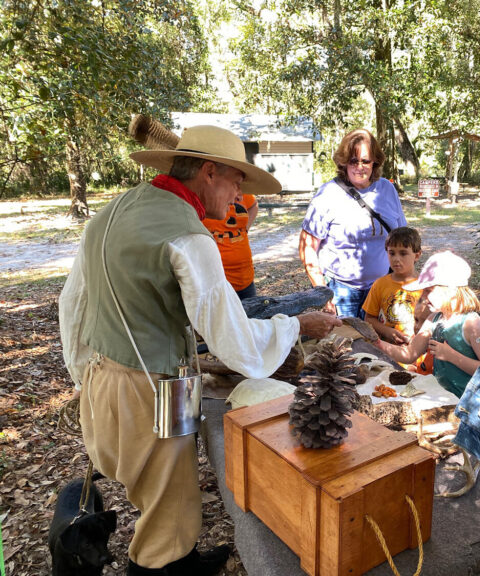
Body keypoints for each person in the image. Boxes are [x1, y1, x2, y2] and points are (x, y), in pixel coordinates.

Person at [58, 125, 341, 576]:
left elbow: (72, 305)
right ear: (209, 172)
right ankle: (159, 566)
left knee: (175, 486)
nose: (238, 196)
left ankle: (184, 556)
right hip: (150, 388)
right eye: (236, 182)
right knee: (161, 509)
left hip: (110, 375)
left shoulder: (114, 211)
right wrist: (296, 325)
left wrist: (84, 377)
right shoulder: (190, 237)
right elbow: (235, 343)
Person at [299, 128, 407, 318]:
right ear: (343, 162)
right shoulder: (327, 195)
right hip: (341, 292)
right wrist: (322, 293)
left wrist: (404, 280)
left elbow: (402, 238)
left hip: (382, 288)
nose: (360, 166)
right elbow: (307, 247)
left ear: (375, 162)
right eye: (353, 161)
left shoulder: (387, 189)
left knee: (378, 345)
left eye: (365, 160)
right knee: (346, 346)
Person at [375, 251, 480, 397]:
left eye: (428, 291)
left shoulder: (471, 323)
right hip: (444, 398)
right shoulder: (434, 319)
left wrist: (451, 356)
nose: (424, 298)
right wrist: (377, 343)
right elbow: (409, 354)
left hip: (470, 402)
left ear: (451, 290)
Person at [362, 226, 423, 344]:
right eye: (392, 253)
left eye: (403, 253)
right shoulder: (380, 284)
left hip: (418, 355)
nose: (396, 259)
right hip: (387, 353)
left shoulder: (425, 286)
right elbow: (369, 319)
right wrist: (386, 331)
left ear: (417, 255)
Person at [203, 192, 259, 300]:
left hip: (246, 279)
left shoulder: (241, 191)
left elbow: (253, 204)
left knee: (250, 314)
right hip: (218, 282)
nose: (238, 197)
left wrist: (245, 228)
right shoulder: (201, 198)